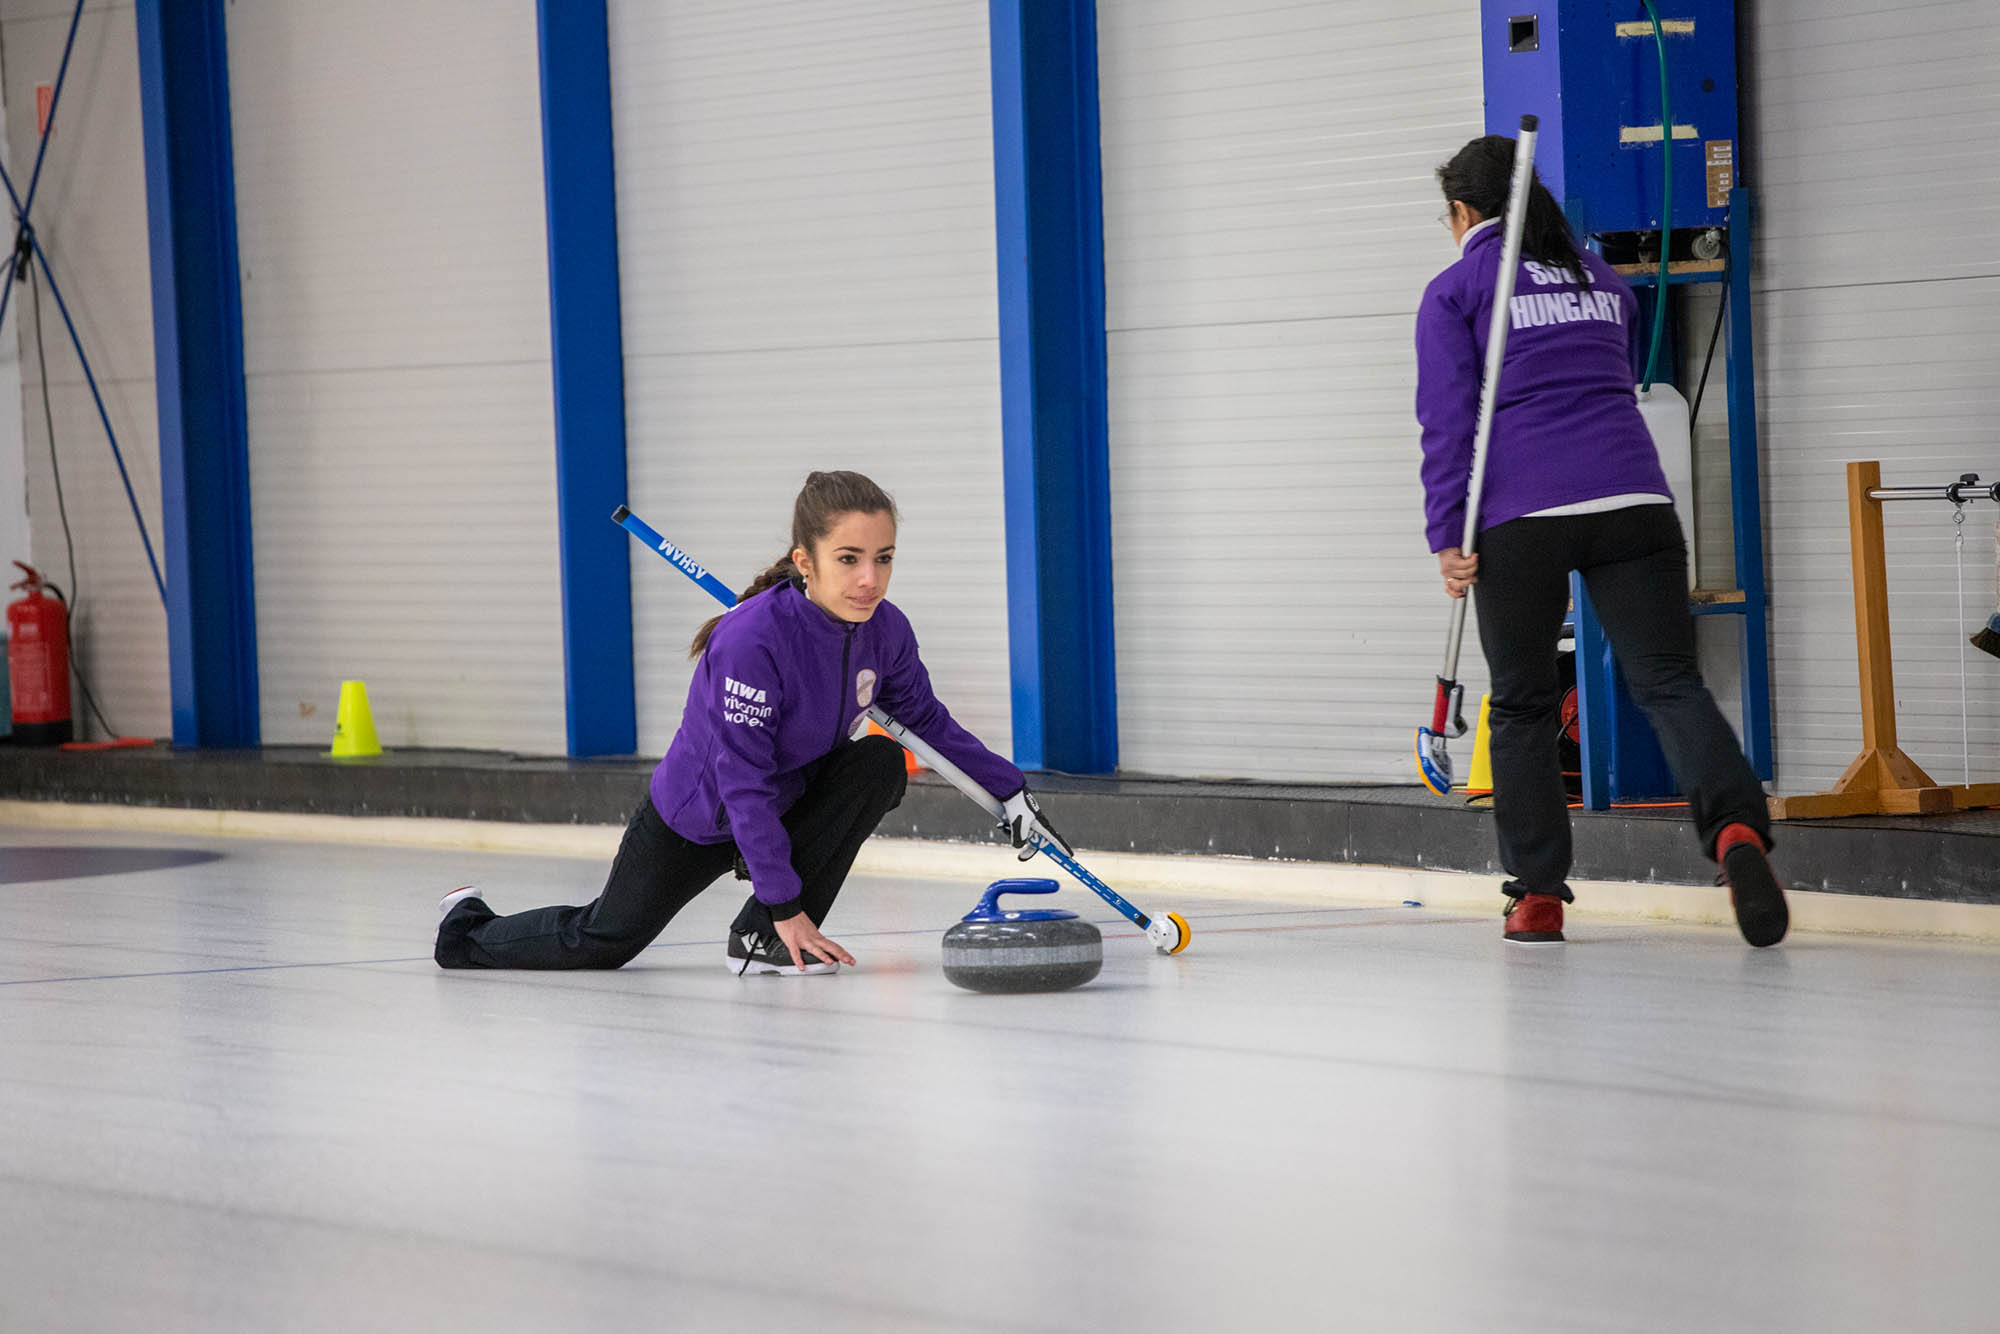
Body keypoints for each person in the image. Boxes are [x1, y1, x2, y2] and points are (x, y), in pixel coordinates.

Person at [435, 470, 1070, 975]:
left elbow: (926, 718)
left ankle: (763, 938)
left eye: (884, 558)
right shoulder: (752, 641)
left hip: (790, 791)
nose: (870, 579)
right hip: (703, 814)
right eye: (848, 558)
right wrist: (785, 904)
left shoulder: (886, 628)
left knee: (876, 763)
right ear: (805, 559)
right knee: (606, 939)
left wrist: (1009, 790)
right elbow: (741, 778)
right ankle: (465, 930)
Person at [1415, 134, 1786, 948]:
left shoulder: (1456, 290)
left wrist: (1448, 534)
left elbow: (1448, 425)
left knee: (1520, 704)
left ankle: (1537, 894)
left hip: (1521, 513)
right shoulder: (1602, 280)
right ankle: (1735, 832)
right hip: (1634, 500)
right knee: (1669, 684)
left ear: (1464, 213)